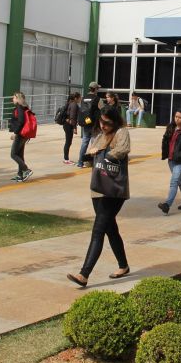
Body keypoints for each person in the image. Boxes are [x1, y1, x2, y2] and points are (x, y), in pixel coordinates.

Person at [67, 105, 131, 287]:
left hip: (114, 190)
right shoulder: (99, 135)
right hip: (97, 189)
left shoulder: (122, 132)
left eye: (107, 123)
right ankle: (123, 265)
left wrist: (101, 153)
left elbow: (122, 150)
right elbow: (89, 154)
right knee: (110, 229)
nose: (103, 126)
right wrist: (90, 155)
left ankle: (84, 274)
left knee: (98, 231)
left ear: (115, 121)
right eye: (102, 122)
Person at [158, 109, 181, 214]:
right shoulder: (170, 128)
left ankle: (167, 205)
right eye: (175, 116)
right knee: (179, 181)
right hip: (171, 160)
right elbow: (166, 141)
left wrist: (180, 155)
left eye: (179, 117)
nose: (177, 119)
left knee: (174, 182)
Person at [76, 82, 103, 167]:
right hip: (95, 124)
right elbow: (103, 111)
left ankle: (80, 163)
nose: (98, 90)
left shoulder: (83, 98)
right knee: (94, 143)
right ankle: (93, 162)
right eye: (97, 88)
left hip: (86, 123)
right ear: (95, 89)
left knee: (84, 142)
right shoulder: (98, 99)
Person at [7, 92, 33, 182]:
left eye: (14, 98)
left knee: (13, 154)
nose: (12, 99)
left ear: (18, 99)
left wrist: (15, 133)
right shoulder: (24, 107)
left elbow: (21, 121)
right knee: (19, 155)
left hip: (20, 134)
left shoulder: (19, 107)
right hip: (24, 134)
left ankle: (26, 170)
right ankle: (20, 175)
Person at [62, 92, 81, 165]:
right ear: (76, 98)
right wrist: (74, 128)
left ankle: (66, 158)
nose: (80, 99)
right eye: (80, 97)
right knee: (68, 142)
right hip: (69, 125)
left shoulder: (71, 103)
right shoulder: (74, 105)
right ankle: (66, 159)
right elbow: (72, 117)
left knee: (68, 142)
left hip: (67, 125)